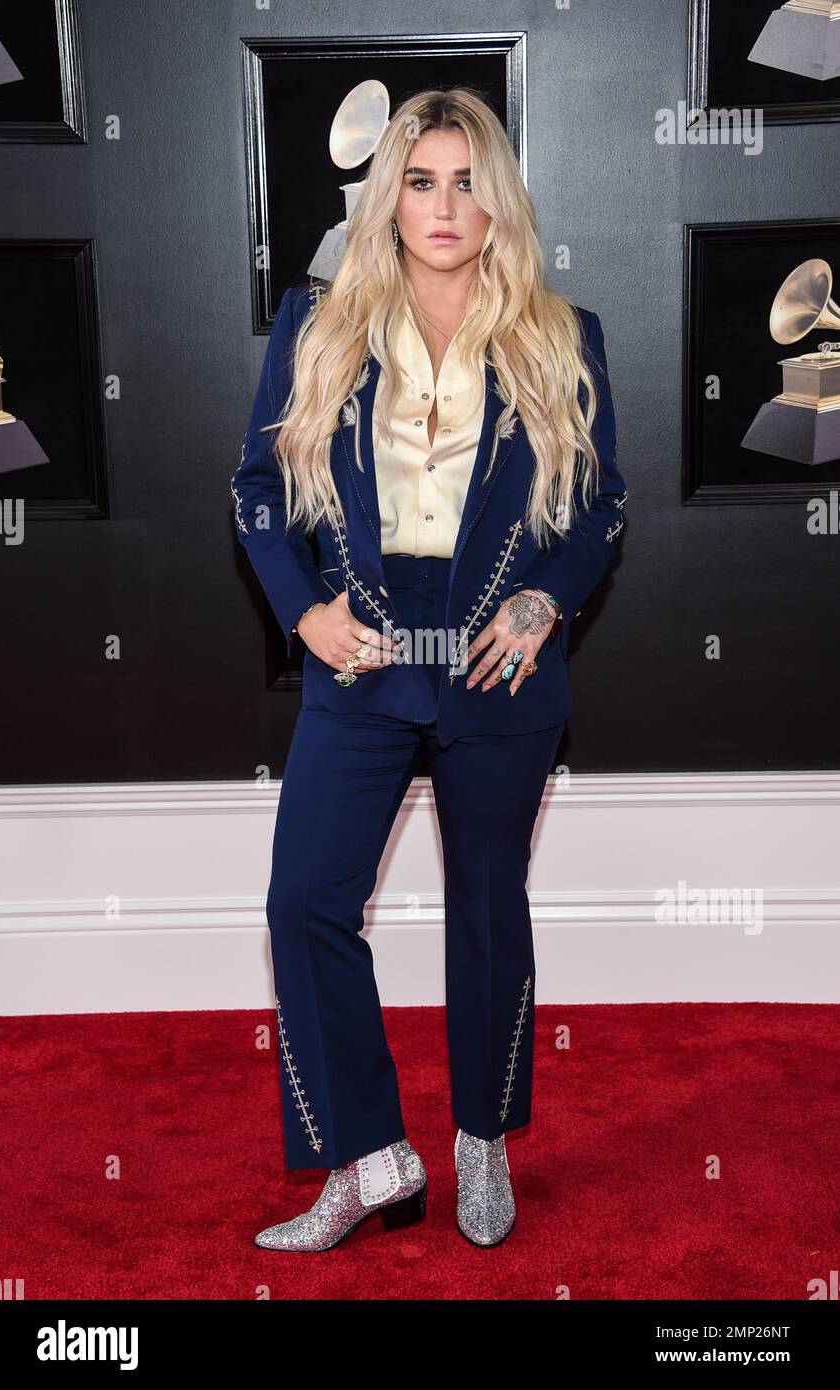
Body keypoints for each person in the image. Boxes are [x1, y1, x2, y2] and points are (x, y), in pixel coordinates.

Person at [231, 87, 627, 1251]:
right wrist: (303, 614)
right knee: (304, 898)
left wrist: (548, 597)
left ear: (494, 197)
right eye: (419, 180)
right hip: (358, 648)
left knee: (486, 911)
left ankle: (481, 1142)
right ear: (387, 195)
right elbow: (256, 492)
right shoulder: (318, 323)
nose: (443, 206)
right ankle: (371, 1158)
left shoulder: (564, 332)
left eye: (465, 181)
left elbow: (600, 506)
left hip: (497, 658)